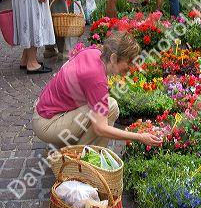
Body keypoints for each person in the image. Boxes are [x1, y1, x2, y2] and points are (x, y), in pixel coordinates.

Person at [32, 32, 163, 149]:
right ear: (113, 58)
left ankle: (69, 147)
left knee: (104, 106)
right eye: (129, 62)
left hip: (46, 114)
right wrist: (139, 137)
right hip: (48, 124)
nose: (131, 67)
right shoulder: (97, 78)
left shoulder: (95, 53)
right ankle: (83, 158)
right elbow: (100, 128)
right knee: (110, 107)